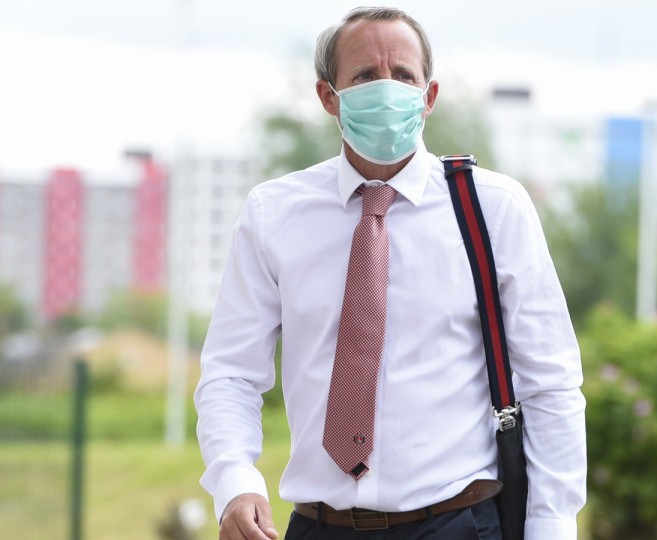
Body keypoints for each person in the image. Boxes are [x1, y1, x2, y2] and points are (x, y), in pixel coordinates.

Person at [195, 7, 586, 539]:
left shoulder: (493, 208)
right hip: (318, 525)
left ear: (429, 95)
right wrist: (235, 481)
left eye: (403, 75)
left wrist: (552, 526)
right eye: (365, 76)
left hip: (456, 522)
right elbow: (230, 372)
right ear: (329, 96)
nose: (387, 90)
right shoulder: (273, 214)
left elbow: (551, 382)